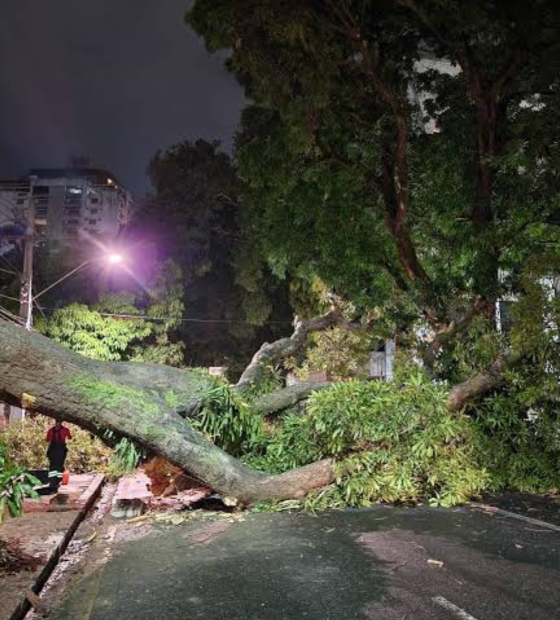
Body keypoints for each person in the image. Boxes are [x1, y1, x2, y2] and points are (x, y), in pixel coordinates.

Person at [46, 421, 72, 491]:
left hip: (57, 450)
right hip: (57, 450)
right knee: (56, 466)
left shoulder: (52, 430)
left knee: (56, 466)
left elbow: (47, 439)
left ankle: (55, 481)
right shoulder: (63, 430)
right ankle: (54, 481)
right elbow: (70, 437)